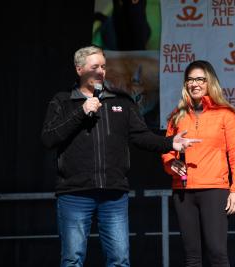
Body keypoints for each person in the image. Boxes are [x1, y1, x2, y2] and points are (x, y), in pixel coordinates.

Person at [41, 45, 200, 267]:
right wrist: (81, 111)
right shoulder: (63, 101)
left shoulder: (120, 100)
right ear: (79, 70)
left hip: (113, 194)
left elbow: (141, 136)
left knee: (119, 260)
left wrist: (169, 143)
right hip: (74, 193)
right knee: (72, 259)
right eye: (94, 66)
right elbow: (48, 138)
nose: (100, 71)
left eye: (103, 66)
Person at [161, 60, 235, 267]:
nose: (195, 84)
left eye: (200, 79)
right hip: (183, 191)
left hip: (214, 190)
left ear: (210, 83)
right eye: (190, 79)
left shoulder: (225, 114)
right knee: (191, 257)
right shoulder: (177, 116)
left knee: (217, 253)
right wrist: (171, 164)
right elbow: (166, 151)